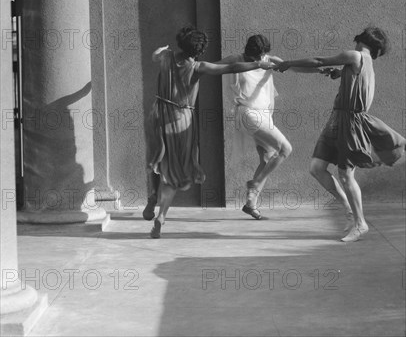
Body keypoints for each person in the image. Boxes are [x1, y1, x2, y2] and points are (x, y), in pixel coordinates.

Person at [274, 27, 406, 242]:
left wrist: (288, 63)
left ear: (361, 41)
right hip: (337, 120)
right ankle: (349, 211)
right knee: (317, 168)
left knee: (346, 174)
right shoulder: (363, 62)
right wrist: (339, 74)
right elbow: (353, 80)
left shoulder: (354, 55)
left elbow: (318, 61)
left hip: (349, 123)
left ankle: (360, 223)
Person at [143, 25, 275, 238]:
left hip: (157, 115)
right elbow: (230, 68)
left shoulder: (166, 57)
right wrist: (258, 63)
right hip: (180, 120)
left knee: (155, 159)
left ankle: (151, 197)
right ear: (199, 51)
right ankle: (161, 216)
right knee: (173, 171)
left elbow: (155, 55)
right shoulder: (198, 67)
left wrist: (161, 50)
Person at [217, 34, 321, 219]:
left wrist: (321, 71)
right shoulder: (237, 60)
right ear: (249, 52)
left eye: (262, 56)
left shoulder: (268, 59)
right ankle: (255, 184)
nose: (259, 60)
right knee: (286, 148)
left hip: (264, 115)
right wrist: (191, 64)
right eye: (257, 57)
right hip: (249, 114)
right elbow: (215, 66)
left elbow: (293, 67)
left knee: (268, 158)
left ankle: (251, 204)